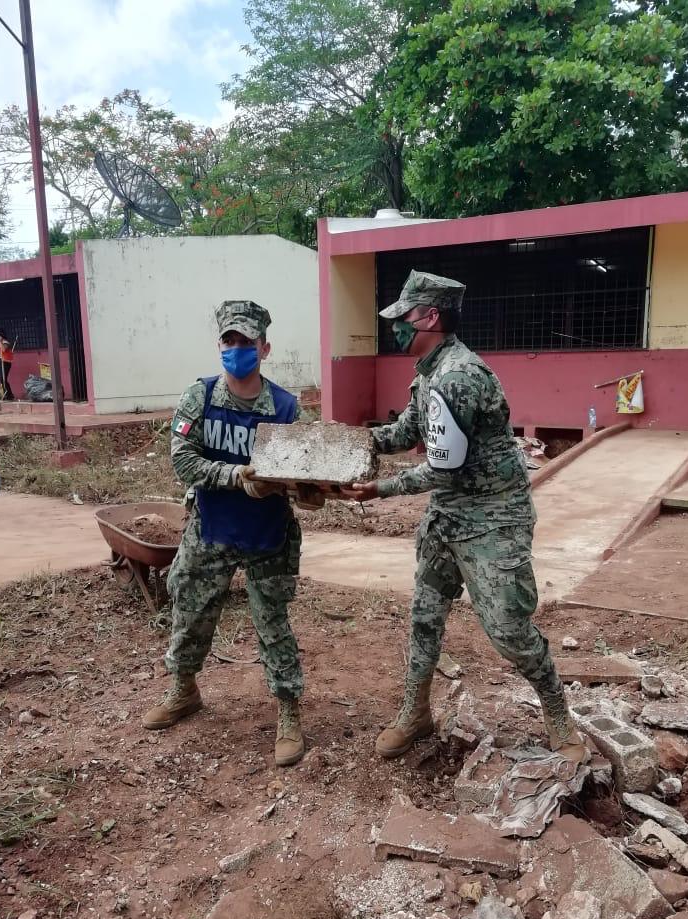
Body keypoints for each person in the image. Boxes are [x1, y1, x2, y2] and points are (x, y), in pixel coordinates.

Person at [345, 270, 586, 763]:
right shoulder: (429, 372)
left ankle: (557, 708)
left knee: (508, 630)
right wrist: (344, 444)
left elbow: (442, 468)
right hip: (448, 515)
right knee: (425, 616)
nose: (398, 328)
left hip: (494, 519)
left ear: (431, 316)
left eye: (404, 318)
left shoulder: (458, 377)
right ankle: (415, 713)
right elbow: (405, 430)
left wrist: (380, 489)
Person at [143, 300, 308, 767]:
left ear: (264, 348)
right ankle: (184, 690)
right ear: (220, 345)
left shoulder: (285, 408)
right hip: (211, 529)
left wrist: (313, 489)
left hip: (267, 535)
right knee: (190, 612)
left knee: (272, 625)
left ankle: (289, 710)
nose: (237, 349)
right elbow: (184, 461)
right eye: (229, 341)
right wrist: (237, 477)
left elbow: (307, 468)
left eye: (246, 342)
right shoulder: (201, 397)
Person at [0, 328, 15, 400]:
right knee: (0, 379)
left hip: (4, 362)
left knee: (3, 379)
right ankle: (4, 394)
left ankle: (9, 394)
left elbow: (4, 349)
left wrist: (0, 342)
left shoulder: (5, 342)